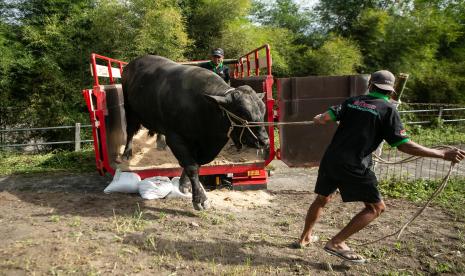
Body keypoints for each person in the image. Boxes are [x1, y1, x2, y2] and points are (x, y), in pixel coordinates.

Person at [294, 70, 465, 263]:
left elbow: (325, 118)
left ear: (370, 85)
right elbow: (403, 145)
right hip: (354, 164)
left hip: (331, 159)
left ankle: (304, 237)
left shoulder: (352, 101)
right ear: (390, 91)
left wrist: (319, 117)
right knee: (376, 208)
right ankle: (337, 242)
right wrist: (442, 153)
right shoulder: (388, 109)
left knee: (322, 199)